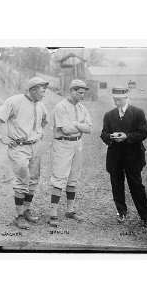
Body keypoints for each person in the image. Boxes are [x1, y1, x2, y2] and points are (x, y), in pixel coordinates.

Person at [0, 77, 49, 230]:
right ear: (33, 89)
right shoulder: (14, 101)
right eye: (42, 90)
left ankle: (26, 210)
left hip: (35, 146)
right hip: (19, 147)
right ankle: (19, 216)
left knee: (34, 179)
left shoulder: (41, 104)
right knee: (23, 180)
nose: (44, 93)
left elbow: (44, 121)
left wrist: (39, 133)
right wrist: (2, 137)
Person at [100, 86, 147, 227]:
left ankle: (145, 215)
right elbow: (103, 134)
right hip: (115, 156)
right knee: (116, 185)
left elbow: (143, 133)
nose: (117, 101)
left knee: (136, 186)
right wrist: (110, 137)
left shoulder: (138, 113)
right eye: (115, 99)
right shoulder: (109, 115)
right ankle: (121, 212)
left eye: (120, 99)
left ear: (126, 98)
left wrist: (126, 136)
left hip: (133, 155)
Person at [48, 79, 92, 227]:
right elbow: (65, 130)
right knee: (59, 177)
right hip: (63, 143)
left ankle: (70, 210)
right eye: (80, 93)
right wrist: (81, 126)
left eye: (83, 93)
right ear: (72, 91)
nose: (82, 95)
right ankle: (53, 213)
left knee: (73, 178)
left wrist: (75, 125)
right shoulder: (61, 106)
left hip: (78, 143)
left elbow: (89, 128)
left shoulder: (81, 107)